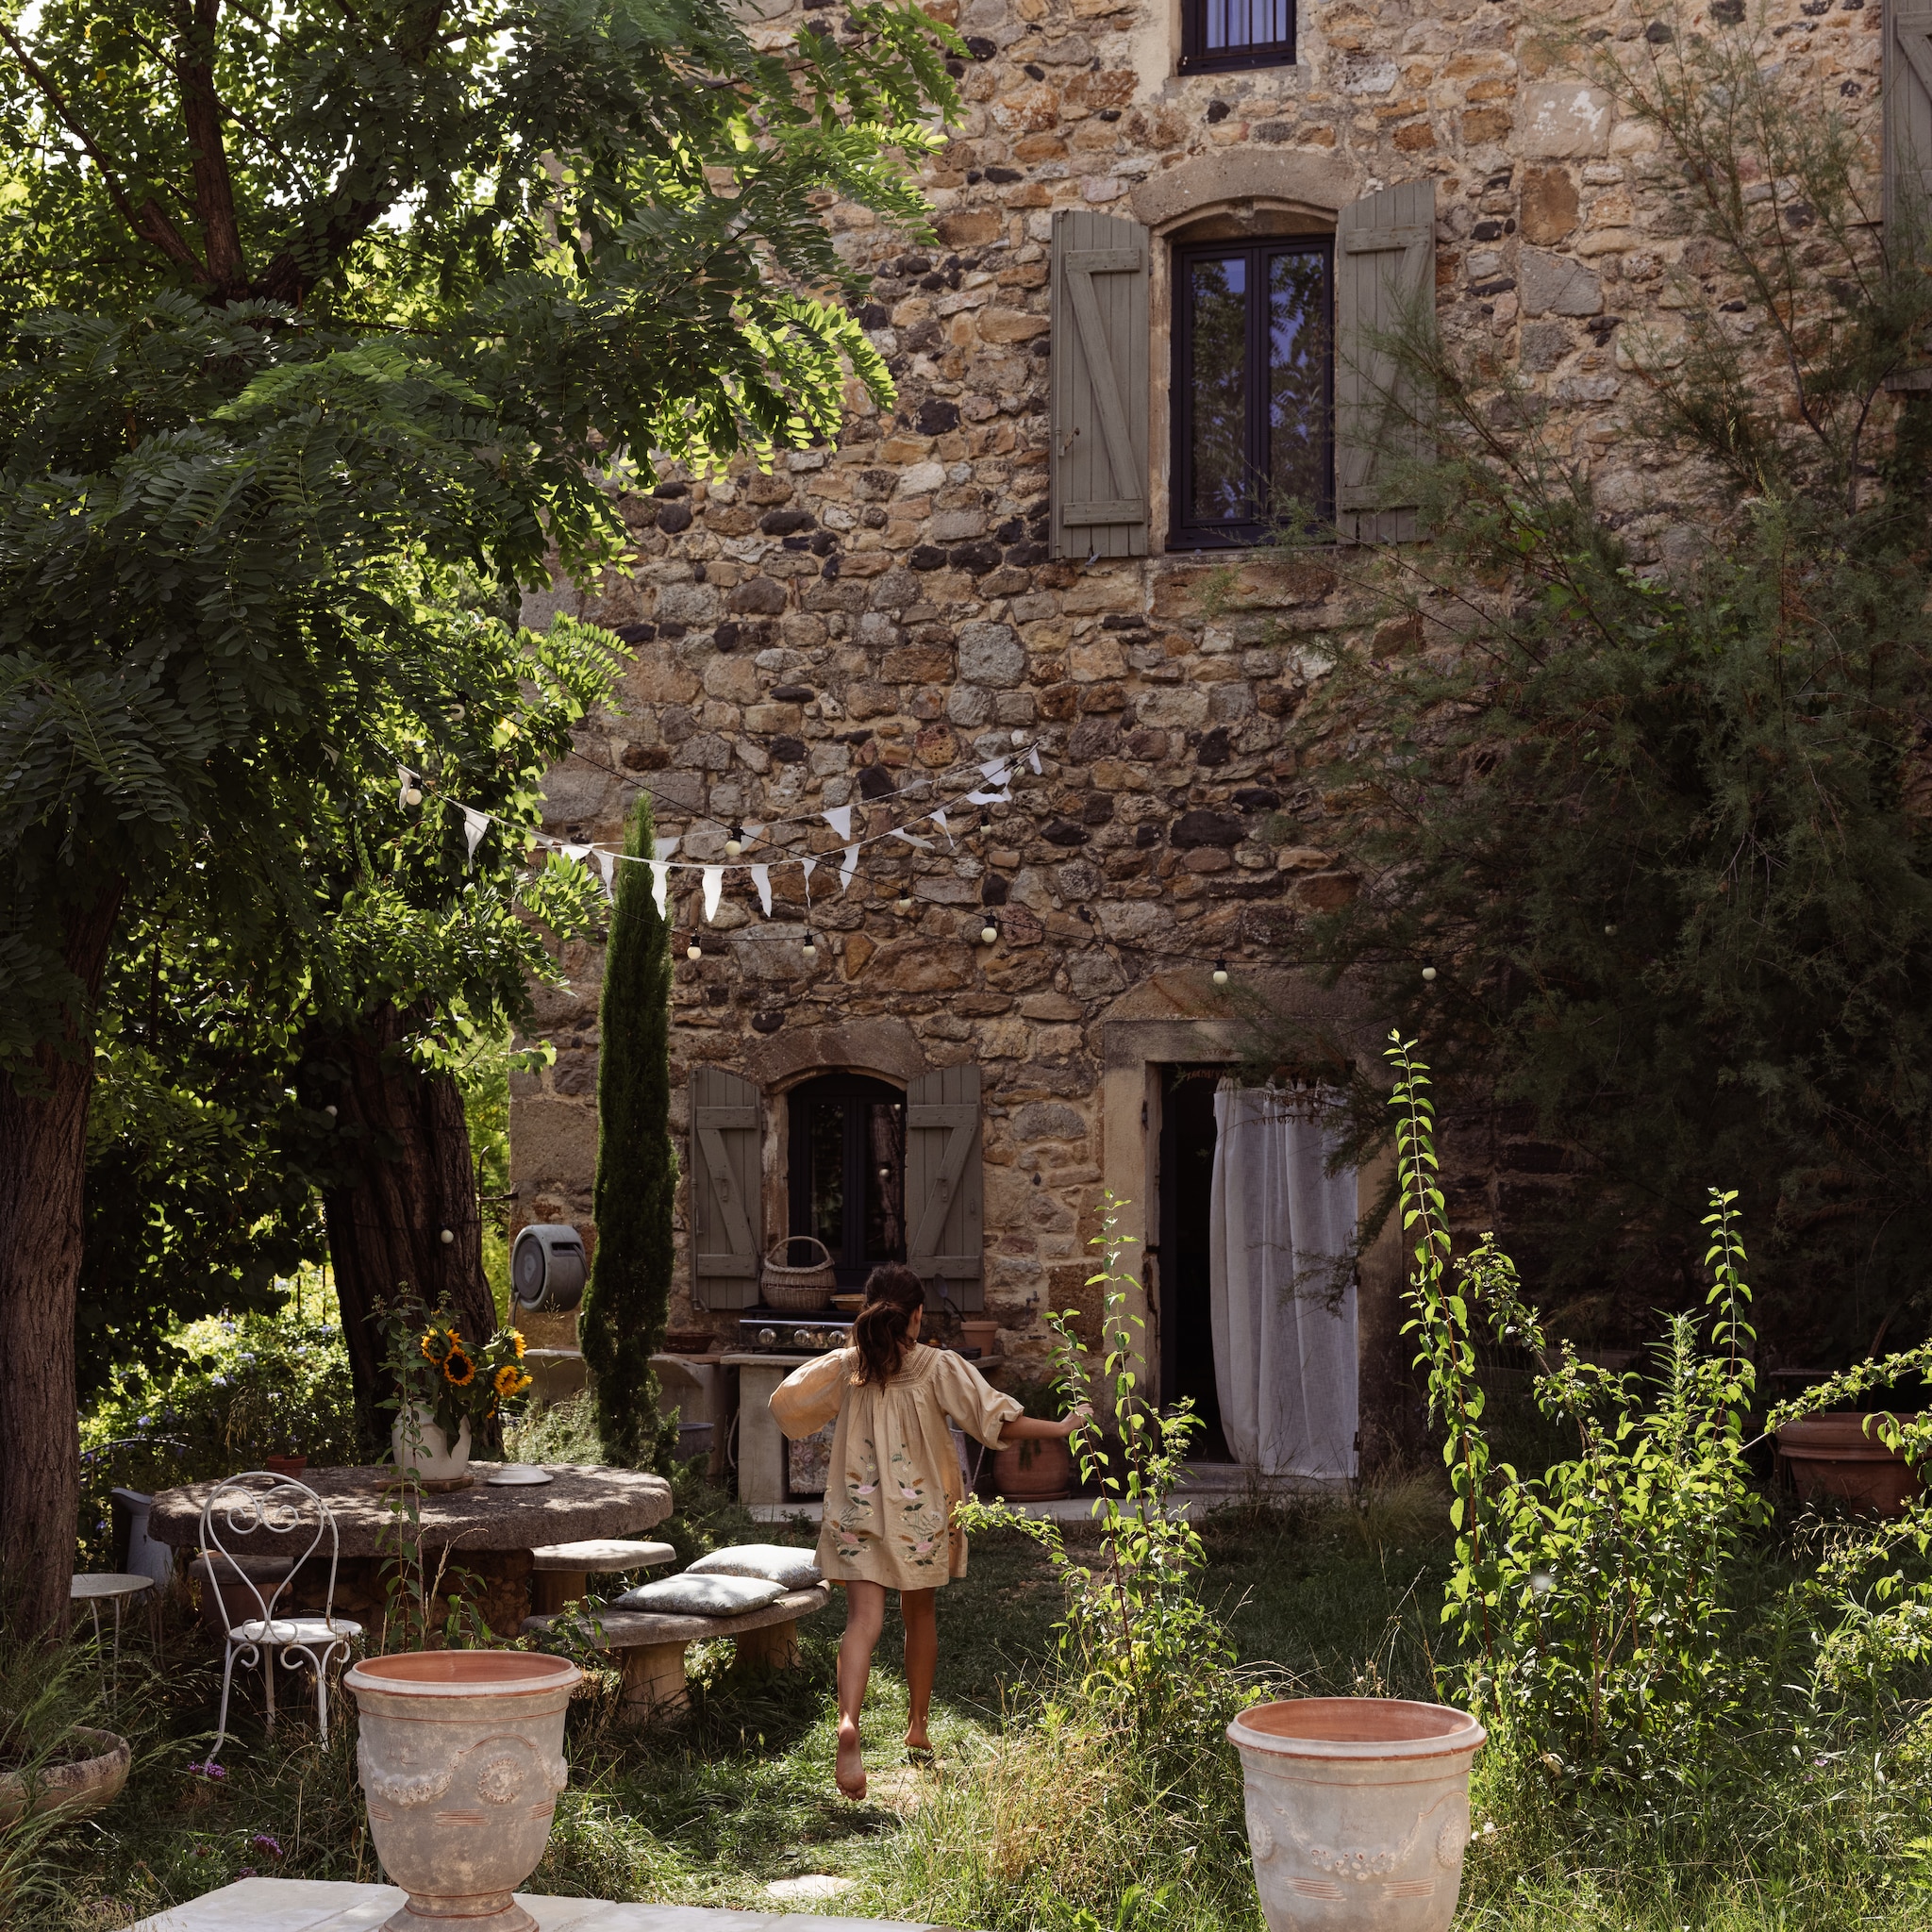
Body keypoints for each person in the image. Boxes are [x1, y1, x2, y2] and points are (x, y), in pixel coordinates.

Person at [771, 1261, 1089, 1799]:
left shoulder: (849, 1366)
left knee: (862, 1622)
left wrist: (845, 1356)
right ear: (916, 1315)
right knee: (919, 1615)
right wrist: (1061, 1425)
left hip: (856, 1511)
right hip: (920, 1518)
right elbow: (995, 1420)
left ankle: (849, 1723)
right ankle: (917, 1728)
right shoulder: (938, 1367)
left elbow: (786, 1404)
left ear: (869, 1311)